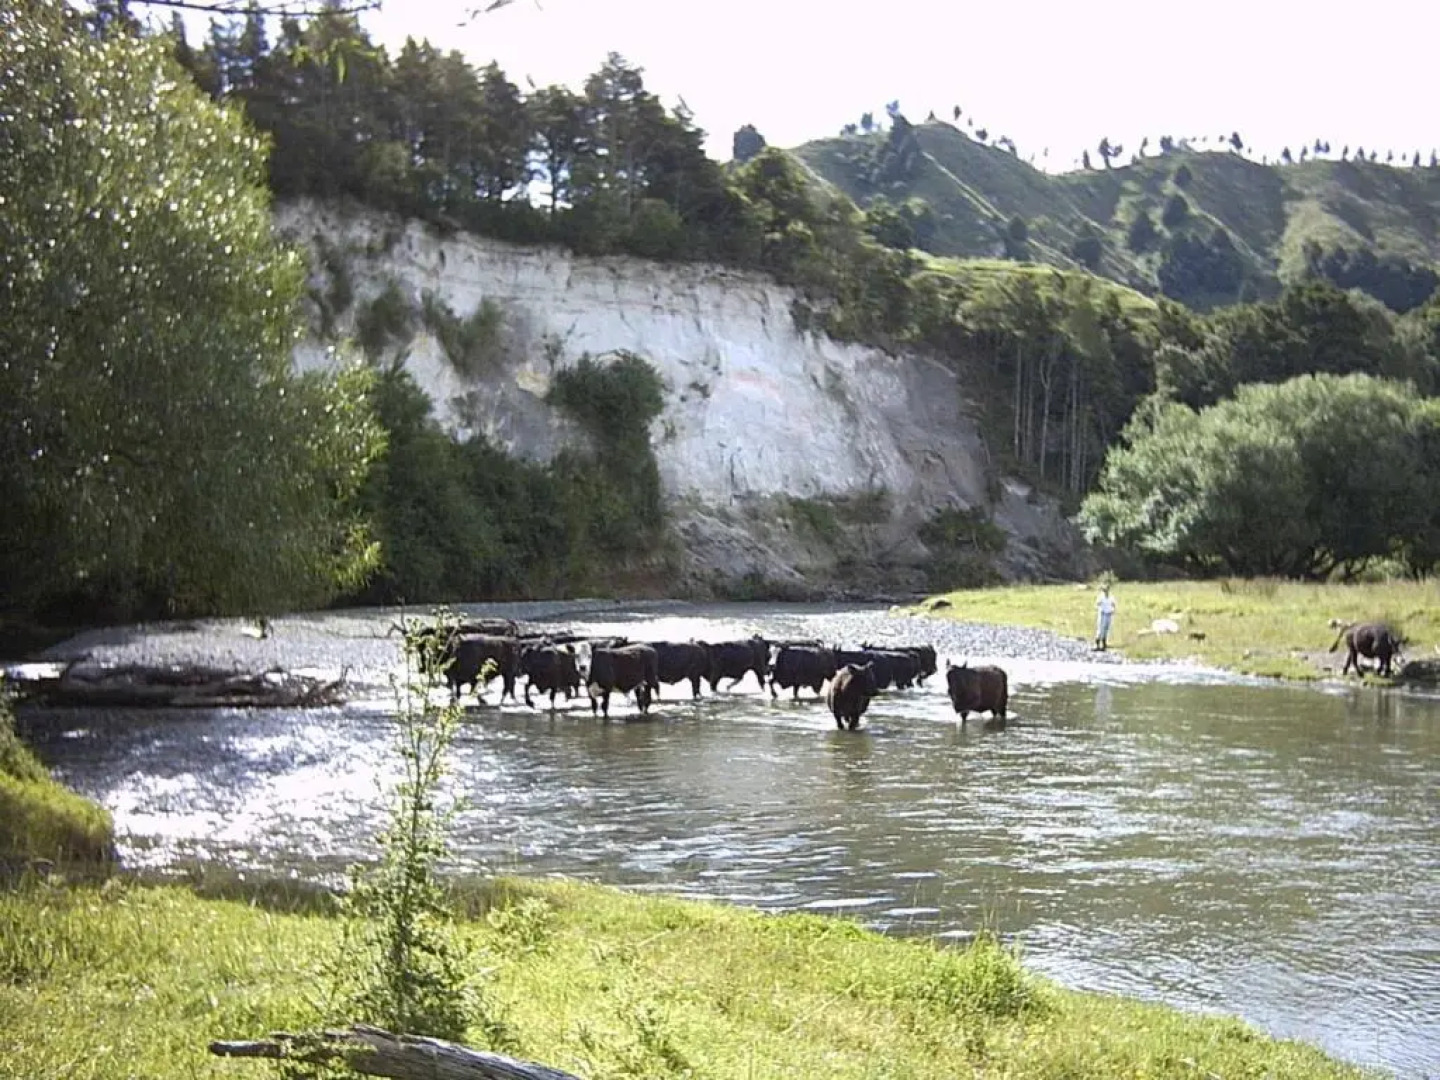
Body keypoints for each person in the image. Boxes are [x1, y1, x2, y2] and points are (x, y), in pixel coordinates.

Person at [1094, 584, 1117, 651]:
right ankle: (1097, 644)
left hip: (1109, 614)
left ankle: (1104, 643)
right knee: (1101, 629)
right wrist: (1100, 606)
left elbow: (1114, 604)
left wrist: (1113, 610)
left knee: (1106, 629)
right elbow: (1097, 604)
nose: (1105, 591)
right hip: (1102, 614)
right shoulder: (1101, 597)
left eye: (1106, 590)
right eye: (1104, 590)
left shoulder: (1111, 597)